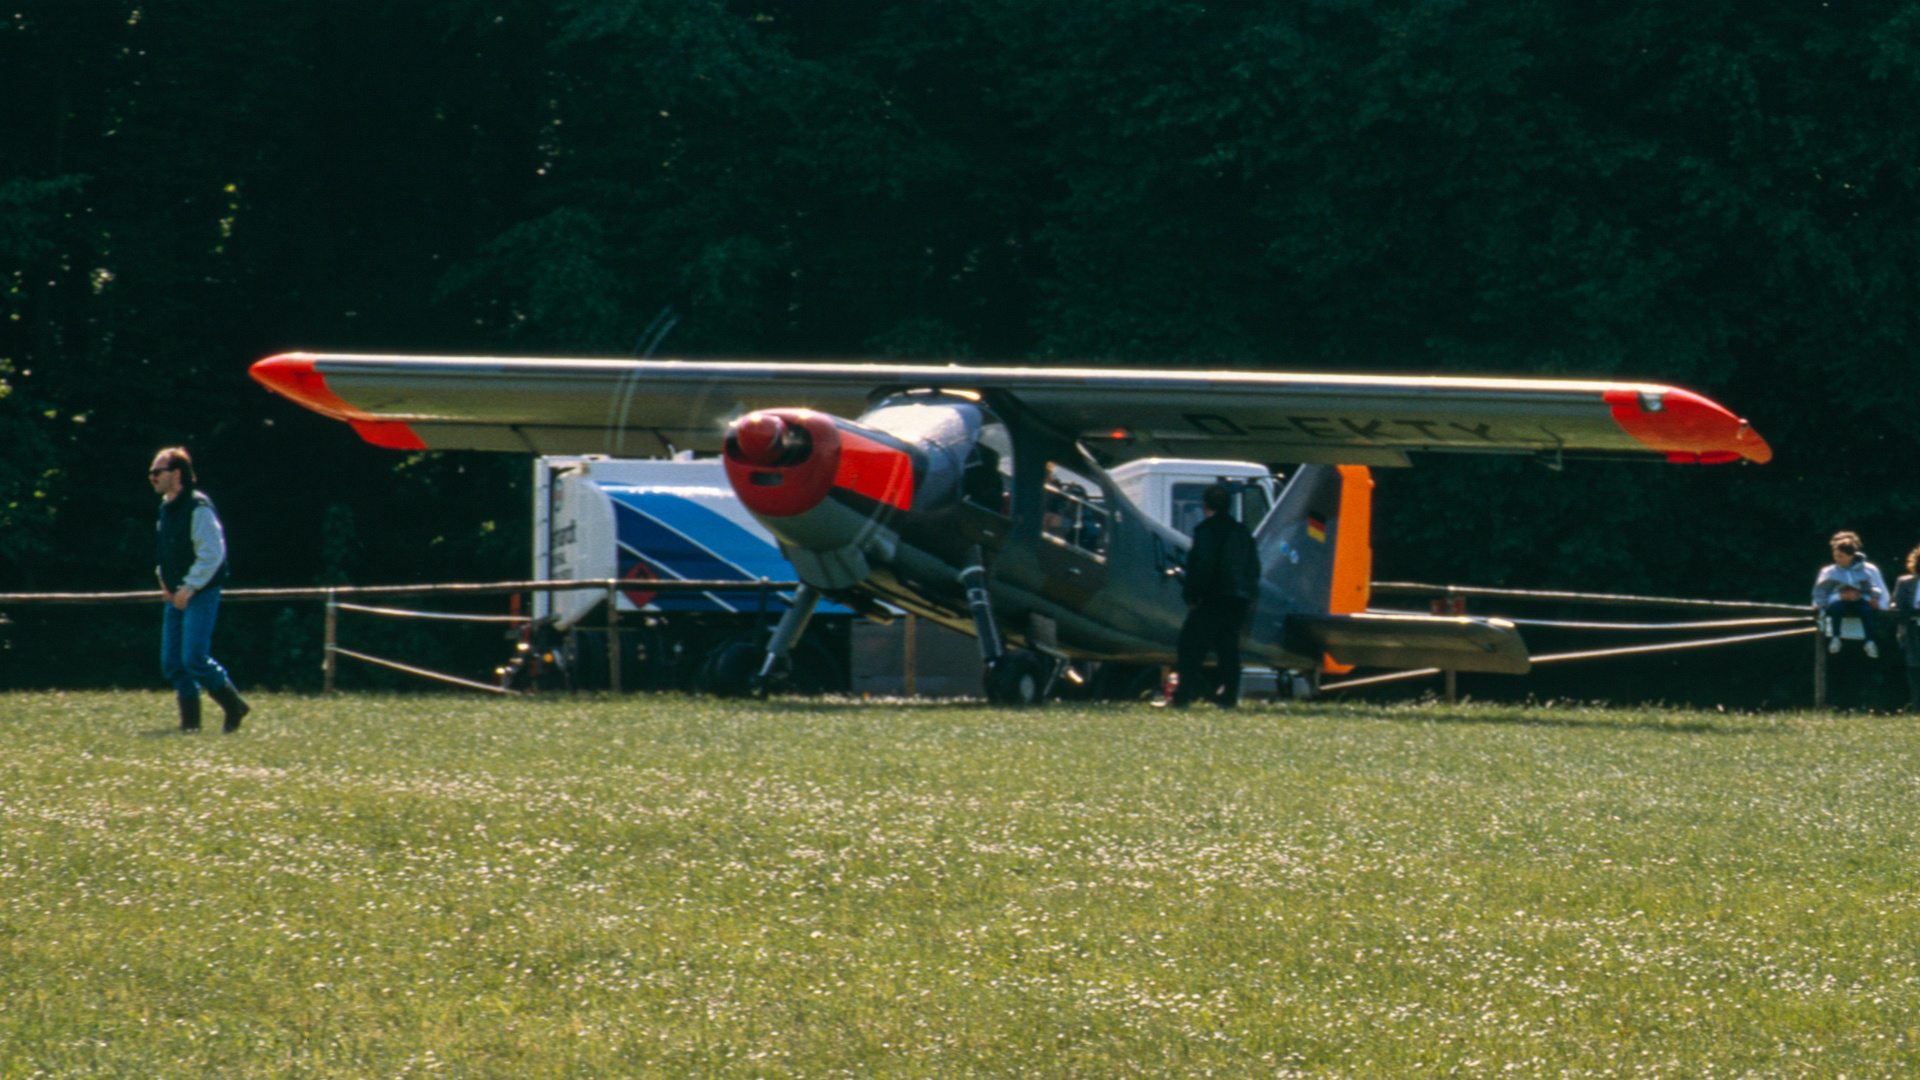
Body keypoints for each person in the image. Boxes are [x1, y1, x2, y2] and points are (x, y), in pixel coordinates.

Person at [150, 448, 250, 732]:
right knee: (173, 662)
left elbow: (213, 553)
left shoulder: (198, 507)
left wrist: (190, 587)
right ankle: (190, 727)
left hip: (200, 592)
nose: (152, 478)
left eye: (157, 472)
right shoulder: (167, 508)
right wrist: (163, 579)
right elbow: (167, 550)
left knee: (193, 658)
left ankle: (234, 706)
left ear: (177, 474)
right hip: (177, 593)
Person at [1168, 483, 1260, 708]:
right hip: (1238, 600)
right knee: (1228, 650)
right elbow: (1254, 568)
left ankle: (1183, 696)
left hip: (1213, 598)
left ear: (1205, 505)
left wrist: (1192, 594)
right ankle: (1229, 696)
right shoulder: (1242, 532)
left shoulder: (1206, 530)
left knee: (1190, 647)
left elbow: (1203, 565)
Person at [1814, 531, 1888, 712]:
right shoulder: (1828, 572)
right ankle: (1835, 707)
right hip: (1835, 631)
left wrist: (1868, 600)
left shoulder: (1869, 570)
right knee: (1836, 670)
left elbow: (1883, 599)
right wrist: (1840, 596)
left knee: (1858, 671)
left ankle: (1857, 708)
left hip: (1861, 631)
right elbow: (1818, 599)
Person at [1892, 544, 1920, 710]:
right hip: (1912, 632)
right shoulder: (1904, 582)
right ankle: (1917, 708)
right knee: (1914, 669)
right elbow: (1897, 608)